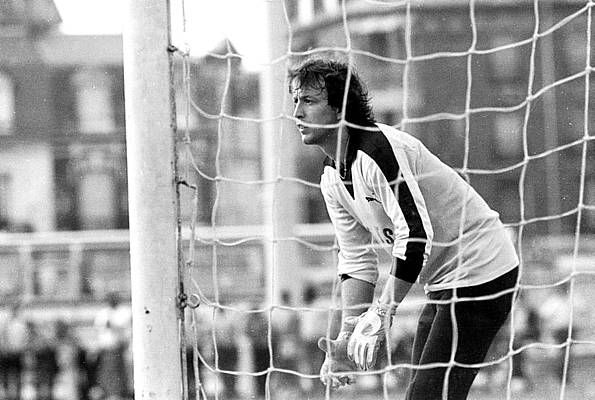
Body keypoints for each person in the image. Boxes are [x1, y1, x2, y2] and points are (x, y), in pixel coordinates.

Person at [288, 57, 520, 399]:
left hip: (483, 270)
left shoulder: (376, 151)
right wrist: (348, 335)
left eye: (308, 101)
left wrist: (383, 311)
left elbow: (415, 236)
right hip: (445, 283)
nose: (297, 112)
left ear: (339, 110)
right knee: (423, 393)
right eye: (295, 101)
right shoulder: (331, 178)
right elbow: (355, 261)